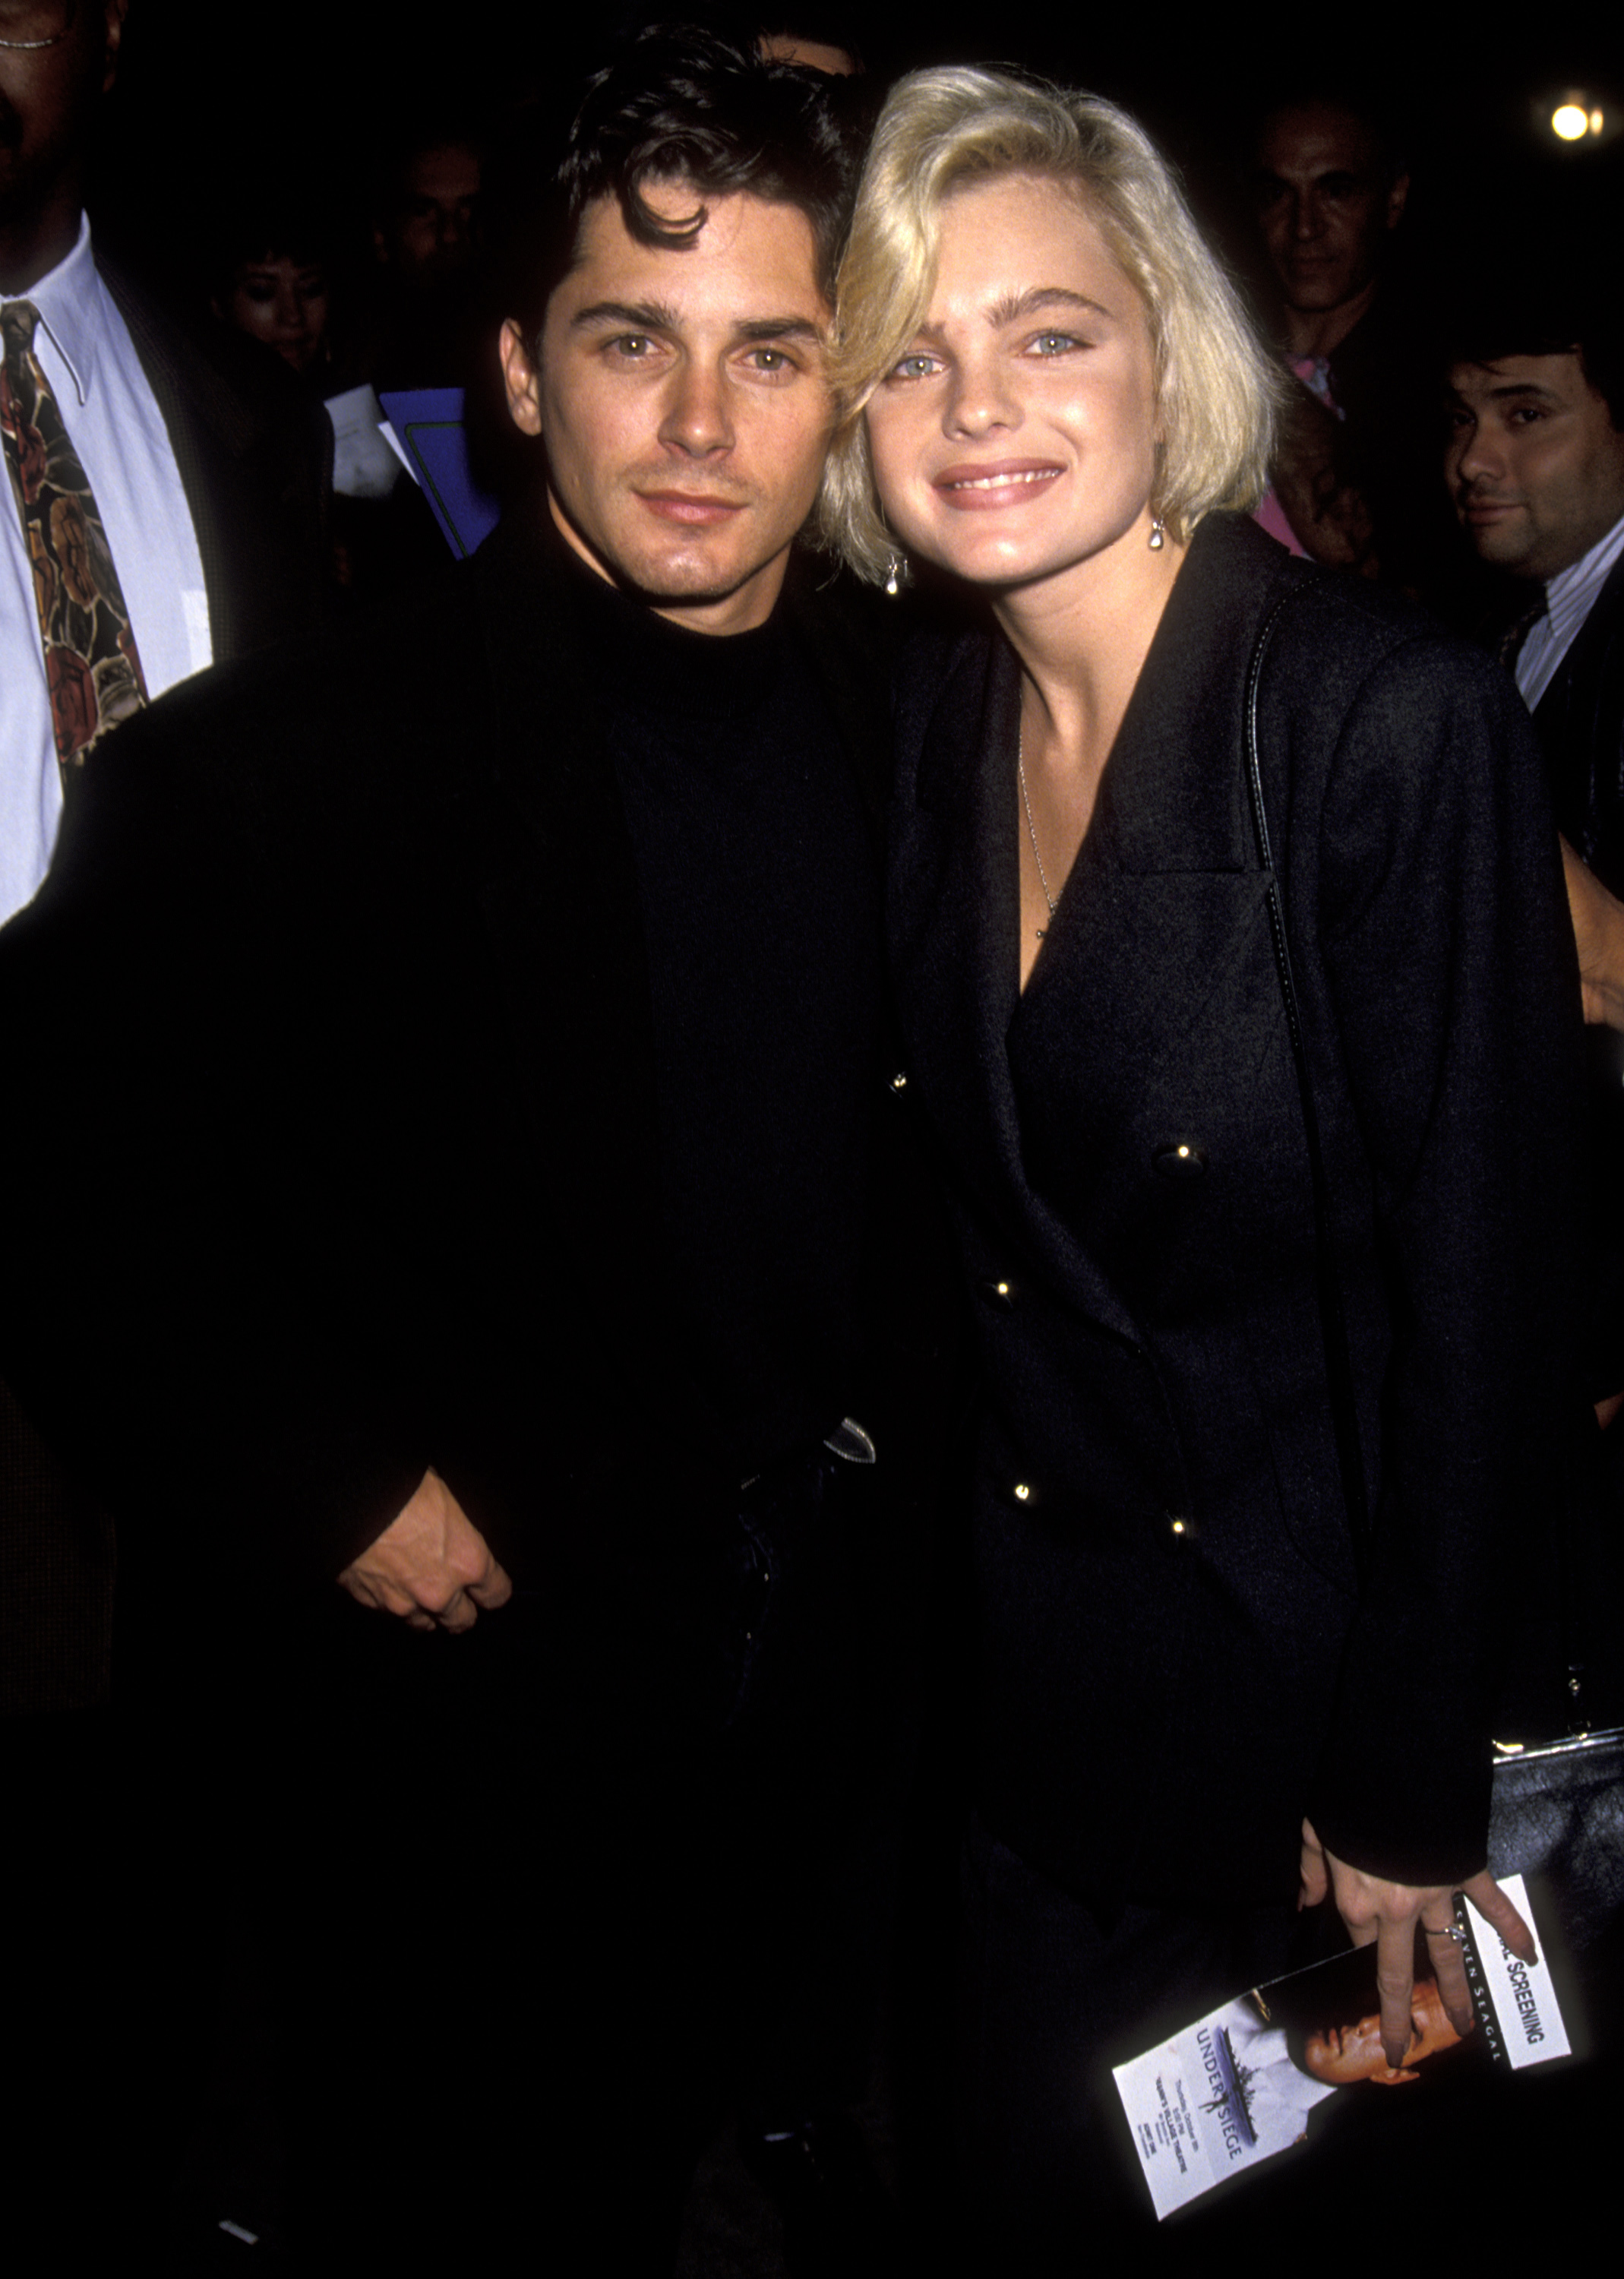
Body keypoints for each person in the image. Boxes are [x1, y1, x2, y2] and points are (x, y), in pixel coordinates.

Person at [0, 27, 934, 2267]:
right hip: (461, 1734)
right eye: (635, 343)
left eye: (772, 354)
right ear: (520, 373)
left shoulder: (932, 726)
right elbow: (62, 1153)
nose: (701, 431)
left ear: (851, 389)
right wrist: (320, 1476)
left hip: (836, 1709)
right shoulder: (285, 762)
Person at [824, 65, 1583, 2258]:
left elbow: (1489, 1293)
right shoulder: (938, 721)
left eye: (1047, 329)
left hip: (1306, 1763)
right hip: (1023, 1735)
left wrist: (1402, 1783)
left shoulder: (1380, 724)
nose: (977, 403)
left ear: (1170, 339)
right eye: (910, 353)